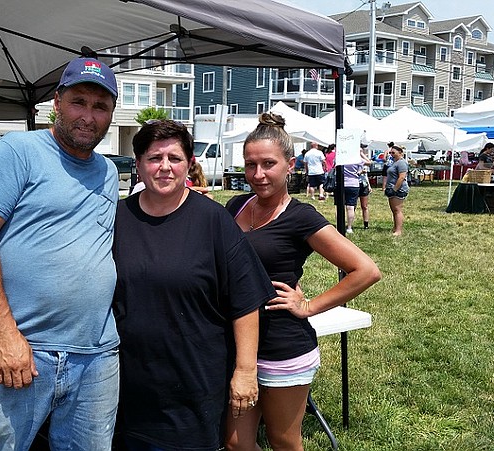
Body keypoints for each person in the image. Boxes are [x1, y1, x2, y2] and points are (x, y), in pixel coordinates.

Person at [0, 57, 121, 450]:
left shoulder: (108, 172)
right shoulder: (19, 150)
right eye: (79, 102)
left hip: (96, 354)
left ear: (111, 115)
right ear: (57, 102)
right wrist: (4, 334)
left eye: (100, 107)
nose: (88, 115)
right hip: (22, 347)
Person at [112, 119, 275, 450]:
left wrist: (245, 372)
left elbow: (244, 301)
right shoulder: (116, 218)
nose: (164, 168)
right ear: (139, 165)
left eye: (174, 159)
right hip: (127, 384)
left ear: (189, 164)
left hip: (194, 381)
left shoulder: (213, 220)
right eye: (154, 158)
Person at [224, 113, 381, 451]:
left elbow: (365, 270)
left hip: (283, 347)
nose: (258, 174)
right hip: (238, 345)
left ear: (290, 165)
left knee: (283, 440)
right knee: (236, 442)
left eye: (269, 163)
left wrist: (309, 306)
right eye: (250, 164)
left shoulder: (300, 216)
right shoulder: (235, 205)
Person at [340, 144, 373, 233]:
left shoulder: (341, 158)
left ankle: (339, 225)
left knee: (340, 206)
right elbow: (369, 162)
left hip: (341, 183)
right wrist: (361, 154)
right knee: (350, 207)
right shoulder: (357, 160)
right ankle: (349, 227)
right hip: (353, 183)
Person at [384, 145, 409, 236]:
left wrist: (394, 189)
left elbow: (402, 177)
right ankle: (395, 227)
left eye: (393, 153)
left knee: (397, 210)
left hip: (399, 189)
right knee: (394, 210)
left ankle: (398, 230)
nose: (391, 154)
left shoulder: (401, 163)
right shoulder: (395, 162)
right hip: (392, 188)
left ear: (400, 153)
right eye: (390, 153)